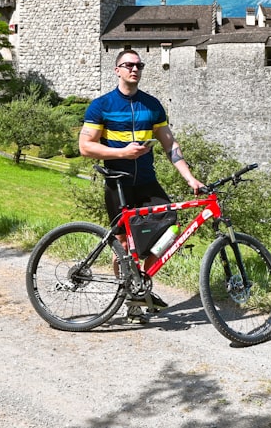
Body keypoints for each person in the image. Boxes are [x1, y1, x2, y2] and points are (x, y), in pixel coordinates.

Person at [79, 49, 204, 323]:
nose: (135, 69)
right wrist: (123, 153)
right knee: (123, 243)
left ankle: (142, 283)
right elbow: (85, 146)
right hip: (118, 183)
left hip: (147, 182)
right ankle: (130, 297)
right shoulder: (102, 105)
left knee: (169, 229)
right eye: (129, 65)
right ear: (117, 70)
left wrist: (190, 178)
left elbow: (170, 144)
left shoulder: (152, 105)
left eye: (139, 65)